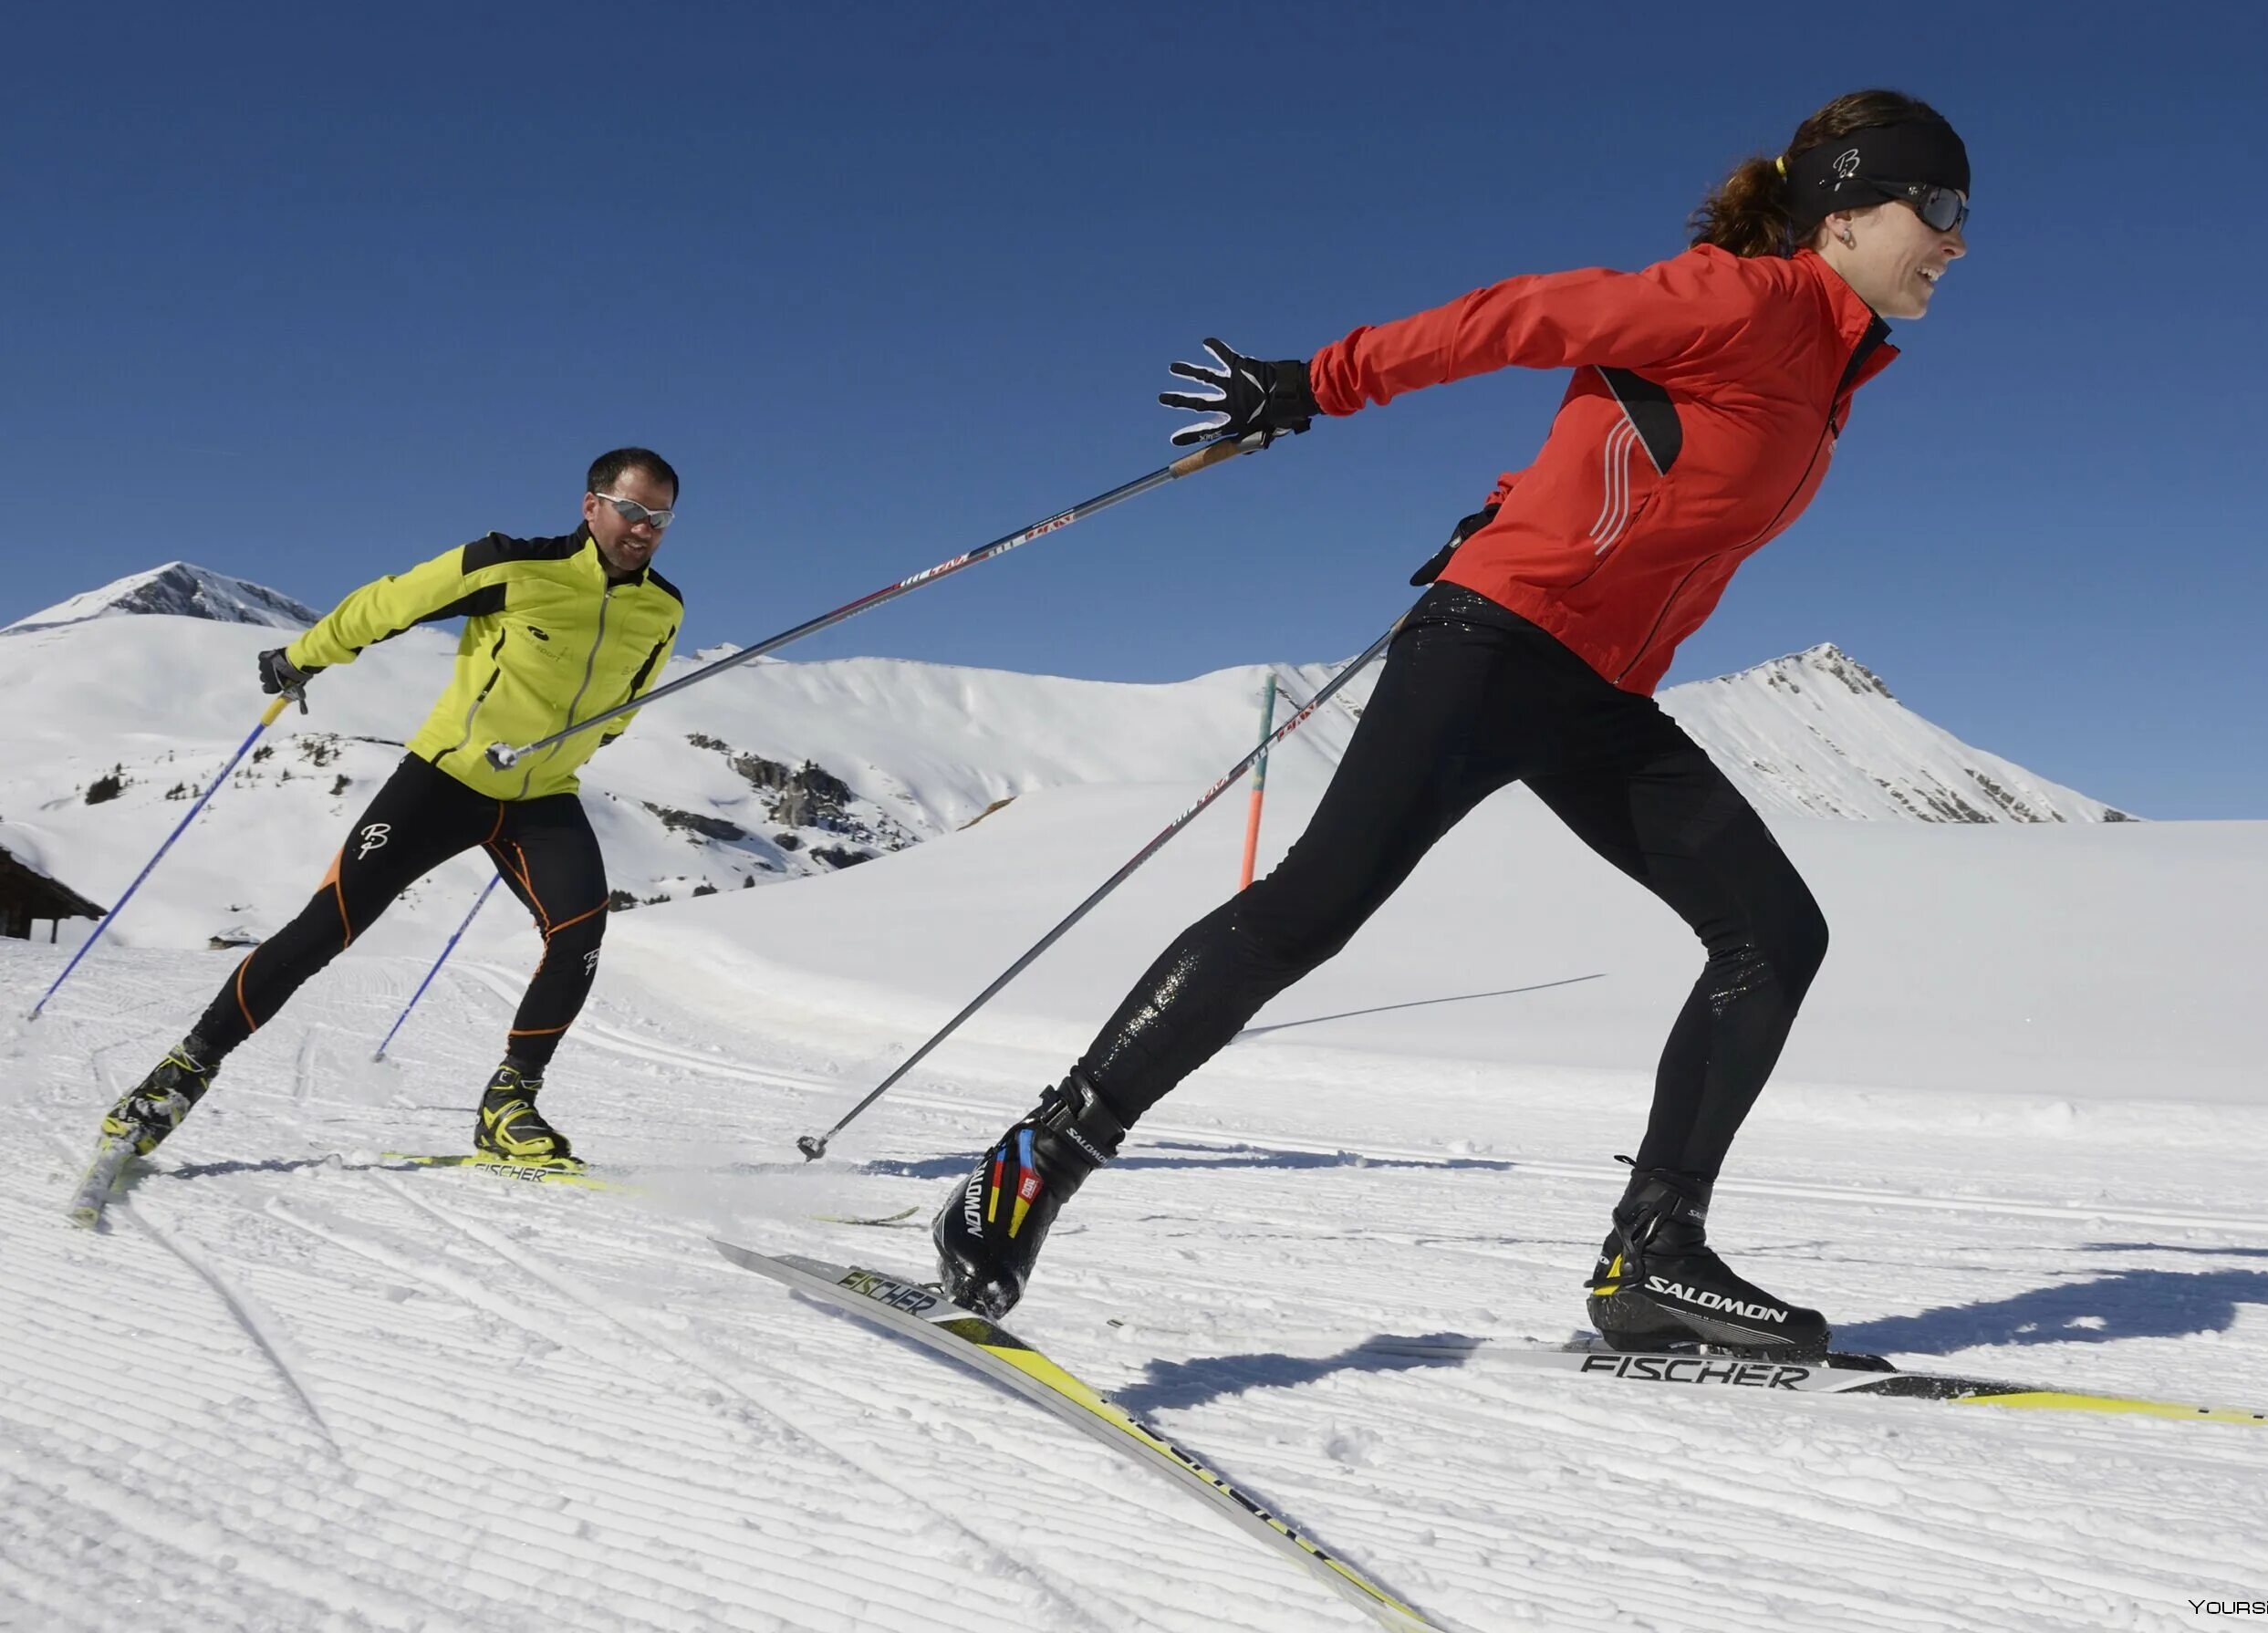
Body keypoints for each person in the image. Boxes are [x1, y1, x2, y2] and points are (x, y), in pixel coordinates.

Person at [933, 90, 1971, 1355]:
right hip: (1499, 645)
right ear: (1846, 209)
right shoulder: (1744, 301)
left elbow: (1634, 441)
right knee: (1309, 910)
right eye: (1941, 208)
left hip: (1598, 690)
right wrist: (1317, 381)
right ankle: (1031, 1167)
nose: (1957, 241)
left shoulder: (1833, 373)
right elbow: (1522, 316)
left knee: (1773, 935)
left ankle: (1654, 1257)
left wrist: (1509, 501)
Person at [92, 448, 685, 1169]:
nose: (644, 529)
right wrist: (304, 654)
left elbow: (629, 701)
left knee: (580, 932)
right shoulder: (512, 566)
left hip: (541, 796)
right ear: (592, 505)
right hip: (446, 779)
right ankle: (180, 1074)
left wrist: (576, 749)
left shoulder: (663, 609)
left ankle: (510, 1103)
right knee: (326, 928)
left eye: (659, 517)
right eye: (631, 510)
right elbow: (392, 601)